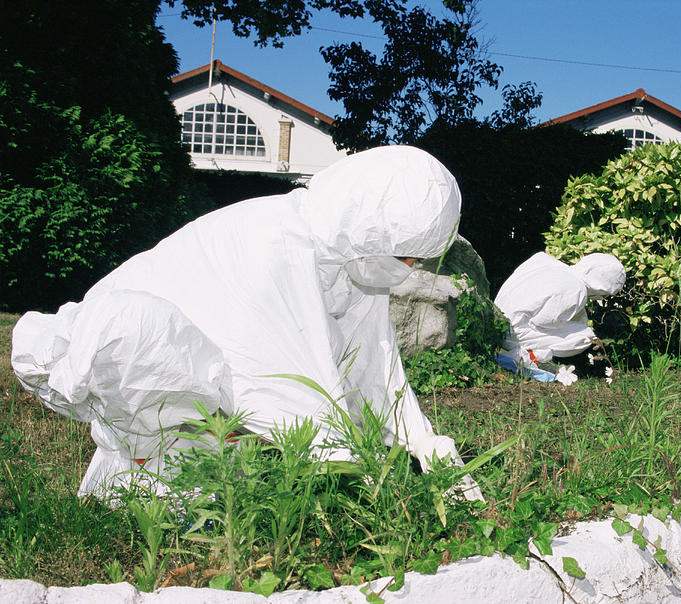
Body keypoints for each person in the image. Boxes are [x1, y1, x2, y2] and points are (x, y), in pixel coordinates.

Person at [12, 145, 483, 500]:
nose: (409, 267)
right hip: (129, 350)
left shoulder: (347, 261)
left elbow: (373, 364)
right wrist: (360, 480)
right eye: (403, 253)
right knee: (174, 377)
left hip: (198, 368)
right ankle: (149, 483)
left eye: (417, 257)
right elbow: (287, 378)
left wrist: (421, 439)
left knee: (228, 429)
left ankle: (198, 480)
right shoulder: (278, 245)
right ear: (367, 225)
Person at [493, 252, 625, 380]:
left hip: (497, 319)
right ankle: (525, 357)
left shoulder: (550, 263)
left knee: (579, 319)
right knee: (585, 337)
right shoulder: (576, 289)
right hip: (511, 332)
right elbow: (543, 321)